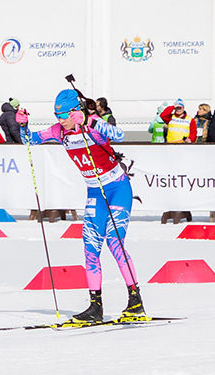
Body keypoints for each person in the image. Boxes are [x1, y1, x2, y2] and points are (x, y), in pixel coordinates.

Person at [43, 88, 144, 325]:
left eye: (64, 116)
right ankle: (95, 306)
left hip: (117, 189)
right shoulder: (59, 131)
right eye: (56, 116)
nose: (60, 121)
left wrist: (89, 121)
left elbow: (118, 134)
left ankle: (135, 300)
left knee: (114, 242)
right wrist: (22, 125)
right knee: (90, 247)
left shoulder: (93, 123)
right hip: (94, 193)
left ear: (75, 111)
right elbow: (31, 138)